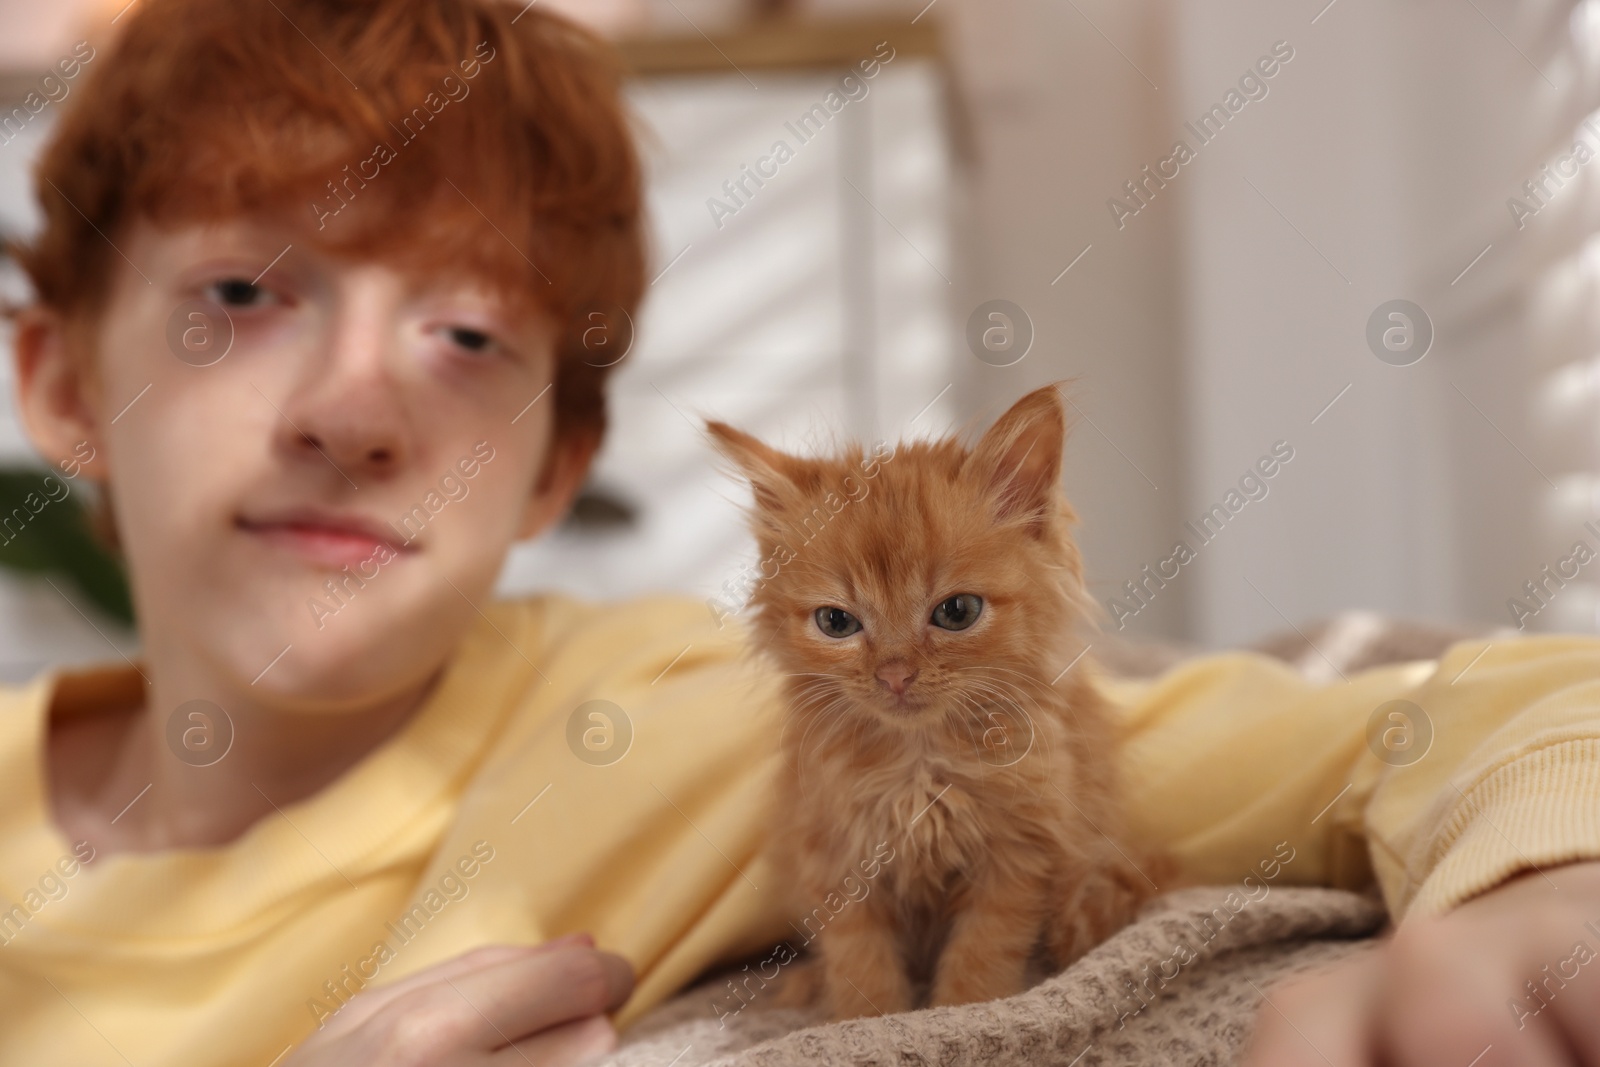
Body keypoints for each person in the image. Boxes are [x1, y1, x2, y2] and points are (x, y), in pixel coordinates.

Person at [2, 1, 1599, 1065]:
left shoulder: (691, 724)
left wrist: (1551, 890)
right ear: (61, 381)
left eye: (469, 337)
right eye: (240, 296)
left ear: (557, 466)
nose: (353, 413)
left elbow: (1463, 710)